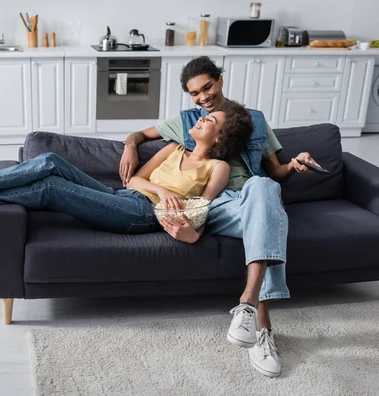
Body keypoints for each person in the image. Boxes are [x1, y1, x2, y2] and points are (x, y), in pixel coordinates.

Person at [119, 56, 320, 378]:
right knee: (268, 220)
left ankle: (249, 308)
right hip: (205, 201)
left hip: (248, 200)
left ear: (220, 80)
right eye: (194, 93)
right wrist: (130, 146)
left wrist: (295, 164)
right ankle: (261, 325)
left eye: (206, 87)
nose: (202, 98)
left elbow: (276, 171)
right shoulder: (187, 121)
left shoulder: (254, 119)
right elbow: (140, 135)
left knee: (263, 186)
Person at [0, 100, 251, 243]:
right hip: (126, 196)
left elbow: (201, 211)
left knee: (52, 188)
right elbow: (132, 179)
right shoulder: (173, 148)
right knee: (52, 162)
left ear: (221, 136)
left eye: (211, 120)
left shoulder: (217, 167)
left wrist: (166, 204)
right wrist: (161, 188)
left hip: (144, 215)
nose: (202, 117)